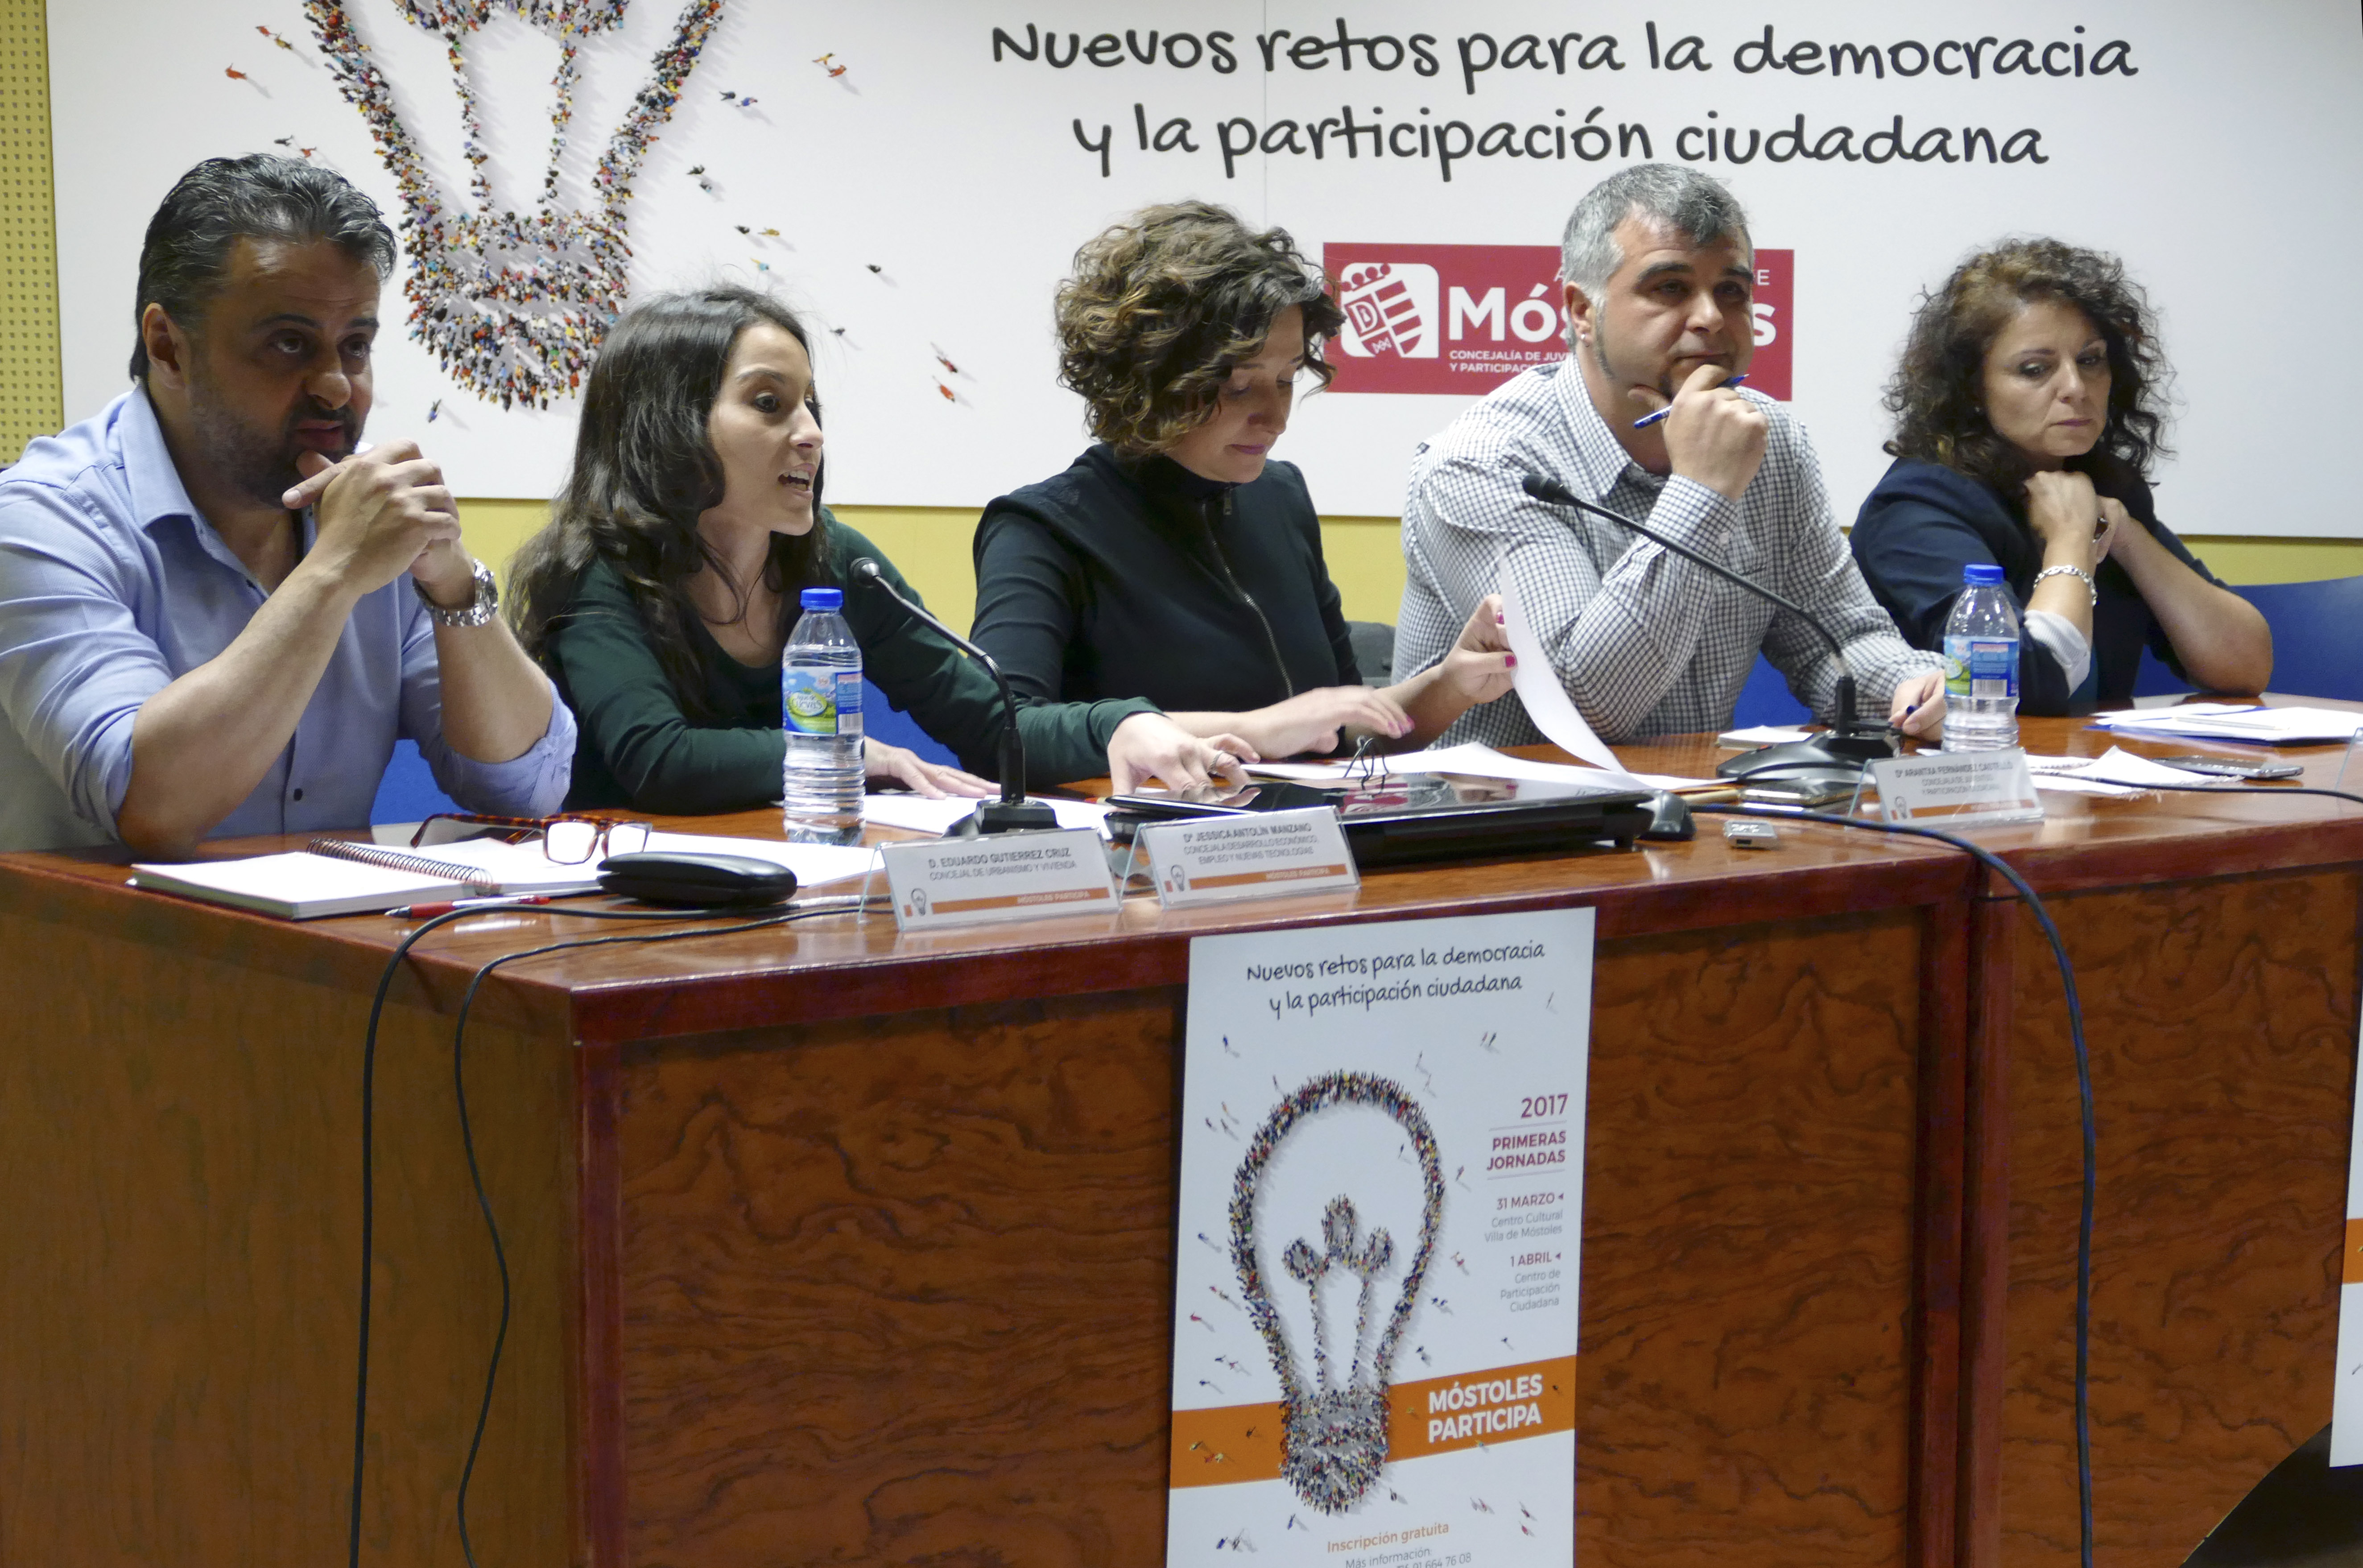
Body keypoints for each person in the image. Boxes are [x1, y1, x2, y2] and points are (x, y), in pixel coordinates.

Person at [0, 154, 572, 856]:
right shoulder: (42, 519)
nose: (335, 386)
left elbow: (528, 787)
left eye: (355, 346)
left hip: (335, 928)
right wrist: (333, 573)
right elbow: (151, 805)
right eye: (288, 343)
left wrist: (454, 583)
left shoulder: (372, 515)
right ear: (168, 347)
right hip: (104, 929)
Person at [507, 286, 1248, 815]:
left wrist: (1118, 724)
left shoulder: (835, 560)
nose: (810, 434)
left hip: (797, 882)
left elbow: (990, 725)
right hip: (624, 910)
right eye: (768, 404)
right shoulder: (598, 569)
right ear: (665, 424)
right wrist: (854, 754)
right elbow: (660, 761)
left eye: (810, 405)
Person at [1397, 164, 1945, 747]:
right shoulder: (1483, 462)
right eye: (1670, 288)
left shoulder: (1770, 439)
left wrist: (1911, 687)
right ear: (1583, 311)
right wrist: (1702, 492)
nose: (1710, 317)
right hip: (1502, 802)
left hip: (1691, 796)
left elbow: (1837, 640)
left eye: (1731, 291)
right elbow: (1583, 707)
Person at [971, 201, 1514, 760]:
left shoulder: (1281, 496)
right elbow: (1003, 731)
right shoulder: (1041, 529)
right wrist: (1256, 729)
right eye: (1238, 386)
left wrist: (1451, 683)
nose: (1276, 418)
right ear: (1148, 376)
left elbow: (1342, 730)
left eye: (1286, 380)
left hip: (1306, 814)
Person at [1851, 239, 2271, 711]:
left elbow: (2246, 669)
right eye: (2035, 369)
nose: (2075, 387)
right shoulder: (1917, 507)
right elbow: (2015, 682)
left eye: (2090, 361)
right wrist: (2072, 539)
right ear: (1972, 390)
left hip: (2085, 756)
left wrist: (2128, 539)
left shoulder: (2103, 486)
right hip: (1948, 757)